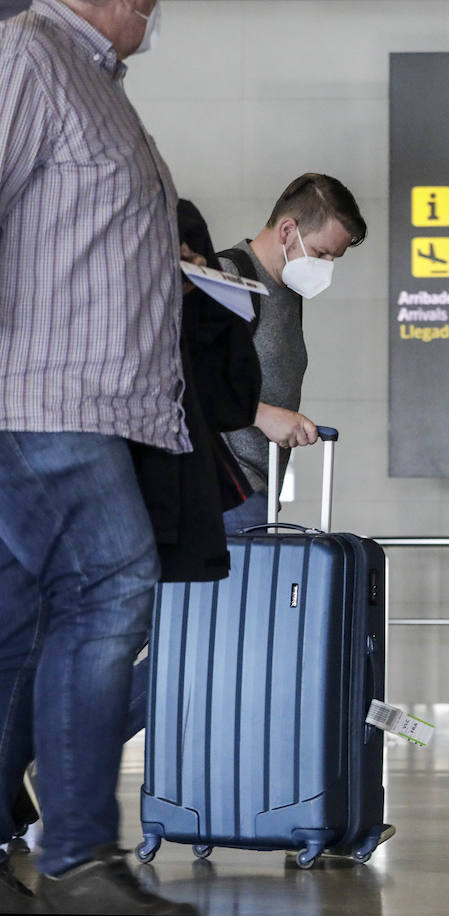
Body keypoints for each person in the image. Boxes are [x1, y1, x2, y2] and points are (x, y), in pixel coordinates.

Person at [0, 1, 197, 913]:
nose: (155, 9)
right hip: (41, 399)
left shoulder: (99, 83)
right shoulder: (28, 55)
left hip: (98, 406)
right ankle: (79, 858)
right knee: (112, 587)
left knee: (19, 627)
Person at [217, 173, 367, 531]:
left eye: (334, 258)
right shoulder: (226, 278)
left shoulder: (287, 293)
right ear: (287, 231)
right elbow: (178, 379)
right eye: (321, 253)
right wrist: (262, 415)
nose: (326, 267)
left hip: (259, 491)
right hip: (220, 490)